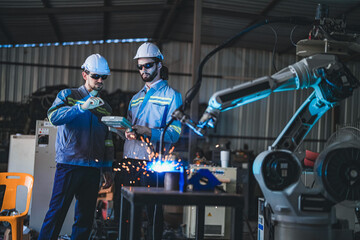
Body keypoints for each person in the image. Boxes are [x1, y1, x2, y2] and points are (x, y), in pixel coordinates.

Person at [38, 54, 114, 240]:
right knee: (56, 213)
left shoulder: (105, 107)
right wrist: (80, 107)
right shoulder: (68, 95)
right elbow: (54, 117)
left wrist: (107, 167)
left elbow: (107, 139)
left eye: (103, 77)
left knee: (85, 218)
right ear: (84, 74)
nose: (100, 80)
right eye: (96, 76)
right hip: (69, 164)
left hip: (93, 168)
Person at [115, 42, 182, 240]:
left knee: (153, 215)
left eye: (148, 66)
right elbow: (129, 128)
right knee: (125, 216)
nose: (143, 70)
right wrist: (124, 131)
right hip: (129, 162)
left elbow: (175, 134)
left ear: (159, 65)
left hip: (153, 164)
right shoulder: (135, 98)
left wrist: (148, 131)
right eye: (140, 67)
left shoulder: (172, 96)